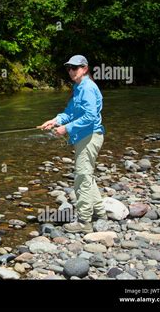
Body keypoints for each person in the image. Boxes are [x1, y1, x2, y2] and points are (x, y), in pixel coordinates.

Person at [38, 55, 106, 233]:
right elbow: (69, 112)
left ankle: (84, 222)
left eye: (74, 68)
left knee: (82, 177)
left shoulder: (88, 88)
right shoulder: (78, 88)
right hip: (83, 137)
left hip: (90, 136)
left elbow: (90, 116)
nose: (71, 71)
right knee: (87, 176)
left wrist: (66, 129)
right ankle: (100, 212)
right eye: (69, 68)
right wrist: (55, 121)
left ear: (84, 69)